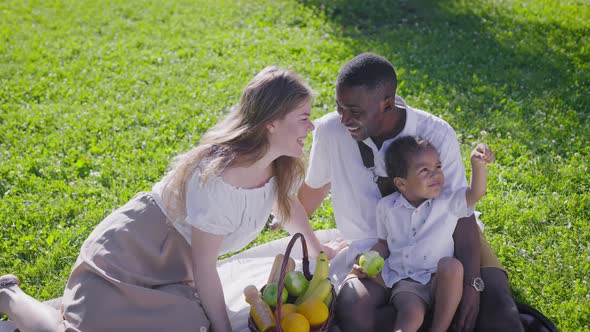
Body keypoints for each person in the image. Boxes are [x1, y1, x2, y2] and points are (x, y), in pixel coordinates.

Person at [0, 66, 338, 332]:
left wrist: (315, 248)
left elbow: (286, 204)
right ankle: (9, 294)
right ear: (272, 124)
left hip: (174, 269)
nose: (310, 129)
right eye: (304, 118)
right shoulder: (218, 180)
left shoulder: (277, 165)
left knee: (189, 325)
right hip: (132, 253)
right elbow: (206, 267)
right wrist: (223, 329)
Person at [298, 53, 524, 331]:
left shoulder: (436, 133)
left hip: (444, 242)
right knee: (353, 309)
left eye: (355, 112)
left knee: (499, 311)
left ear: (388, 103)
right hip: (378, 250)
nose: (344, 118)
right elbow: (314, 188)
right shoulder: (332, 131)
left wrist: (472, 283)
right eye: (339, 107)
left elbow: (462, 213)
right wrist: (281, 217)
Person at [354, 136, 494, 332]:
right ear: (401, 183)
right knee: (411, 314)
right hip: (407, 283)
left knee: (452, 266)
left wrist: (477, 165)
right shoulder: (387, 207)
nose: (435, 175)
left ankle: (439, 329)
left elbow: (476, 193)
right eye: (424, 170)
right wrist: (368, 258)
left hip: (441, 281)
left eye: (438, 167)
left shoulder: (447, 203)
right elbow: (383, 244)